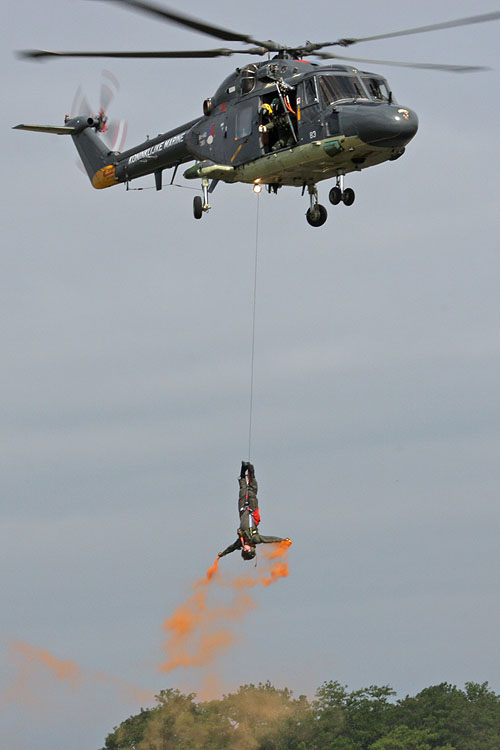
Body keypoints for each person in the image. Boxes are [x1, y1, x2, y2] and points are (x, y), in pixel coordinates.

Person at [218, 461, 289, 561]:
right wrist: (282, 540)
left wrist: (222, 554)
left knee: (243, 491)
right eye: (246, 550)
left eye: (244, 550)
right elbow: (268, 539)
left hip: (242, 509)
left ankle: (243, 470)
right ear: (251, 549)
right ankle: (251, 471)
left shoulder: (241, 541)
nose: (244, 549)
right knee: (251, 492)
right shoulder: (254, 539)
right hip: (252, 510)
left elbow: (232, 548)